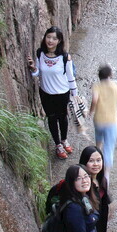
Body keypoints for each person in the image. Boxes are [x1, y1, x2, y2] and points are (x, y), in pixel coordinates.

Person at [28, 26, 77, 159]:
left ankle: (64, 140)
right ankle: (58, 145)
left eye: (54, 38)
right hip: (46, 93)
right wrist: (33, 68)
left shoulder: (65, 57)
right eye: (48, 37)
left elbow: (70, 76)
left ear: (59, 41)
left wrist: (75, 94)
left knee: (62, 117)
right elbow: (38, 73)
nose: (50, 41)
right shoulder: (40, 53)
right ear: (45, 38)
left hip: (62, 93)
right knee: (51, 118)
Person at [89, 64, 117, 175]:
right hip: (111, 122)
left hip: (98, 120)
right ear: (110, 75)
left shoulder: (97, 86)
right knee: (108, 148)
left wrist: (91, 111)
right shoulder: (115, 87)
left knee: (98, 143)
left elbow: (94, 100)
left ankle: (95, 164)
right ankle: (106, 175)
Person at [79, 145, 112, 232]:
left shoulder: (102, 180)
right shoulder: (83, 185)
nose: (96, 164)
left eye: (98, 160)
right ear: (84, 162)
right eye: (91, 161)